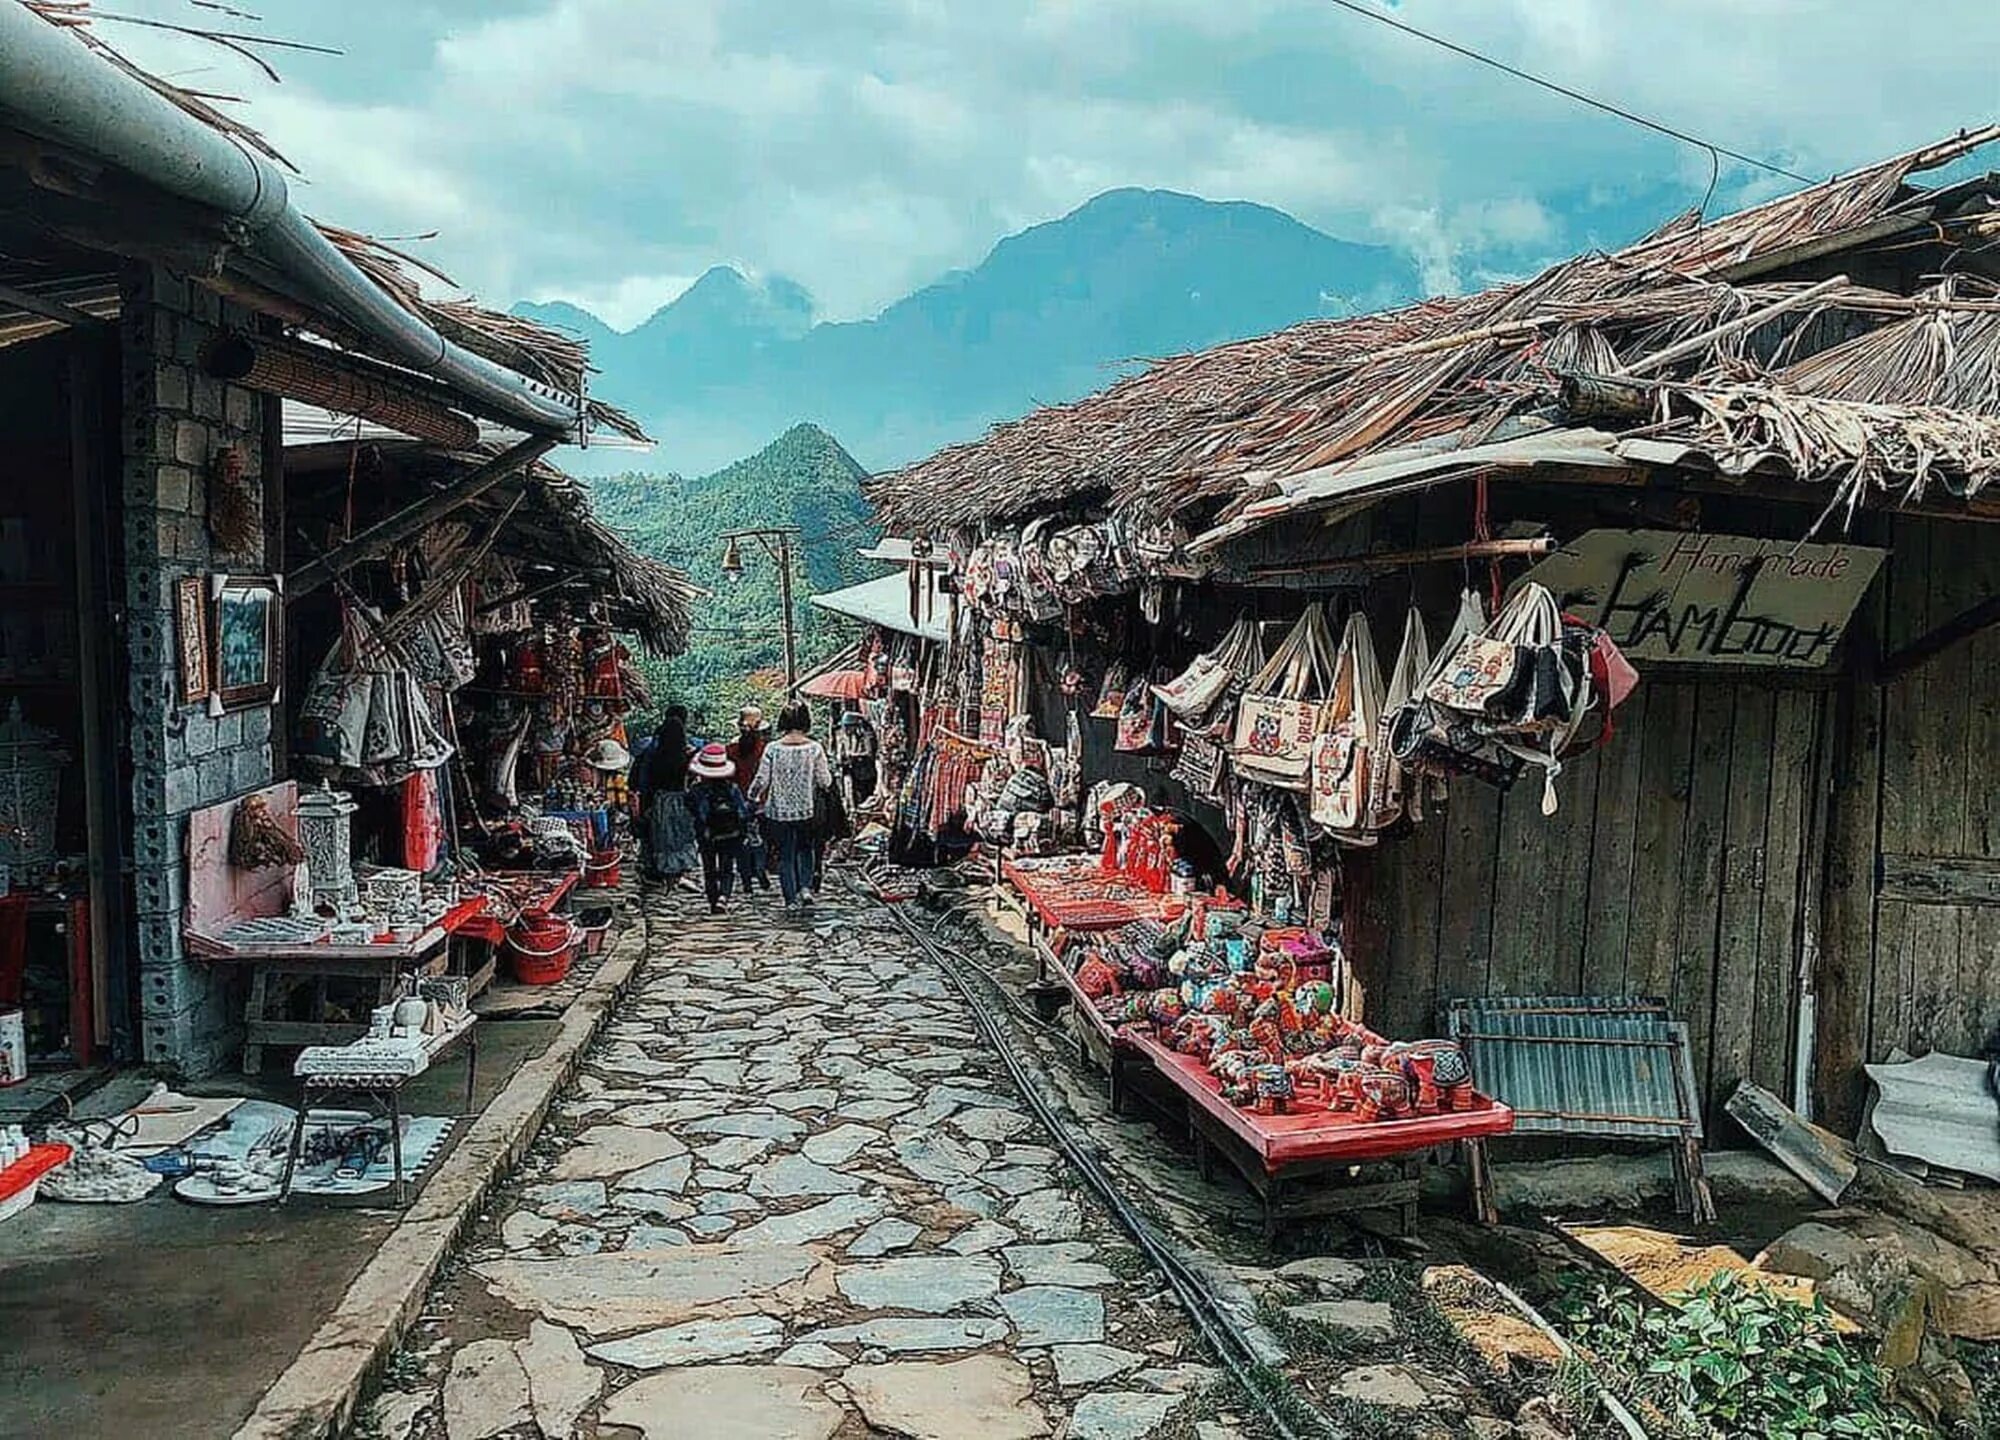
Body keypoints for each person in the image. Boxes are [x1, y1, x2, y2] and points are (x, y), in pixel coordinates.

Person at [749, 701, 832, 910]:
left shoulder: (772, 749)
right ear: (806, 720)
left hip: (778, 811)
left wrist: (752, 797)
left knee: (786, 854)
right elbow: (825, 781)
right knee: (806, 848)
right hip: (808, 809)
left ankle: (790, 900)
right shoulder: (814, 748)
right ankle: (805, 887)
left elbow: (761, 779)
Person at [687, 743, 750, 913]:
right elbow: (743, 813)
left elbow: (694, 813)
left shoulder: (698, 790)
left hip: (707, 834)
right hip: (731, 833)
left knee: (709, 868)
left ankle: (713, 899)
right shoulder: (732, 789)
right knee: (727, 867)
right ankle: (724, 896)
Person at [637, 707, 698, 883]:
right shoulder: (684, 755)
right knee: (679, 834)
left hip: (659, 800)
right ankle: (678, 867)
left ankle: (659, 869)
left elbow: (643, 779)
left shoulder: (654, 752)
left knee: (661, 834)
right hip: (679, 800)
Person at [726, 705, 772, 890]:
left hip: (736, 802)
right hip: (762, 801)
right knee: (760, 839)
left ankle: (746, 879)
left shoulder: (730, 749)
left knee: (741, 841)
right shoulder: (765, 749)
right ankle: (760, 868)